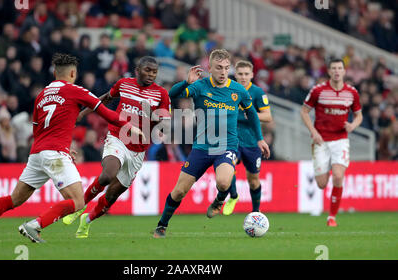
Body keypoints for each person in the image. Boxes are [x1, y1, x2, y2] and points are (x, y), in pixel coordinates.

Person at [0, 53, 144, 243]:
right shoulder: (75, 90)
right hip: (54, 153)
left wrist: (61, 146)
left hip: (37, 153)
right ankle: (34, 226)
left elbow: (37, 129)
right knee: (78, 202)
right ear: (72, 72)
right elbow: (106, 113)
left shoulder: (41, 95)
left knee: (14, 199)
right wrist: (131, 127)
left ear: (55, 72)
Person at [152, 49, 270, 238]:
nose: (223, 72)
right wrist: (186, 82)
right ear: (210, 68)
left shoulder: (238, 90)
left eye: (226, 68)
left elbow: (253, 115)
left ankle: (218, 201)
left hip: (227, 146)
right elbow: (172, 95)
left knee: (223, 182)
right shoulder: (200, 86)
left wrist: (259, 139)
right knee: (179, 191)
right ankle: (162, 225)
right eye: (218, 68)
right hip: (201, 147)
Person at [62, 56, 171, 239]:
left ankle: (87, 221)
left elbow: (166, 125)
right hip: (117, 138)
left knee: (112, 195)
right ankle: (79, 206)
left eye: (154, 72)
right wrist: (82, 114)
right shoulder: (124, 84)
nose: (151, 75)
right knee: (107, 175)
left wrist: (154, 116)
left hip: (138, 151)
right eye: (147, 70)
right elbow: (104, 99)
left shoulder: (161, 94)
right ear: (137, 70)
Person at [300, 58, 362, 227]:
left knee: (338, 175)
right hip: (320, 140)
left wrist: (353, 125)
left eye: (339, 68)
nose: (336, 71)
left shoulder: (351, 92)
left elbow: (359, 115)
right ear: (328, 71)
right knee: (321, 184)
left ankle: (332, 217)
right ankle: (324, 168)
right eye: (333, 68)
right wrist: (313, 132)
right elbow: (304, 112)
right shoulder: (318, 90)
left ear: (344, 71)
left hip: (340, 140)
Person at [208, 60, 272, 217]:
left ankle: (256, 212)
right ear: (235, 75)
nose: (243, 77)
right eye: (240, 74)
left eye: (246, 74)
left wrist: (250, 114)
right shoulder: (227, 89)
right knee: (228, 169)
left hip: (252, 142)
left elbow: (268, 116)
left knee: (253, 180)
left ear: (252, 75)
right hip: (232, 139)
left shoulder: (257, 92)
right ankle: (234, 196)